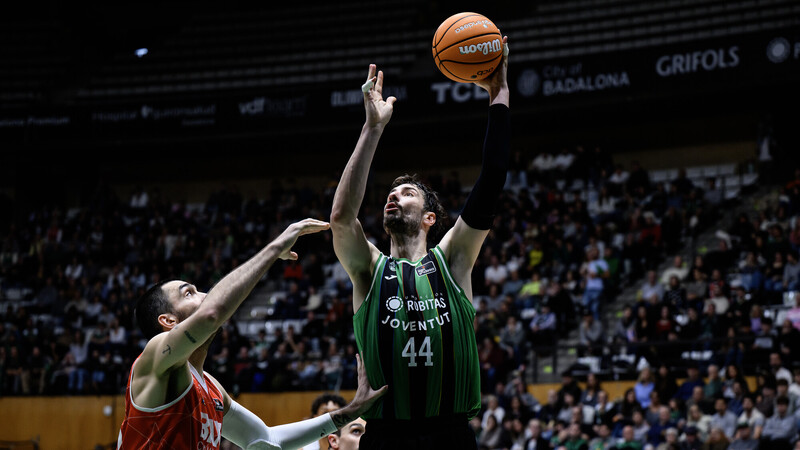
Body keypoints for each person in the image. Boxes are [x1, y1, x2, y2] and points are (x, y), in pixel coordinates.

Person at [329, 37, 511, 450]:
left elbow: (493, 177)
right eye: (391, 195)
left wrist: (499, 94)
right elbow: (340, 219)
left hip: (451, 435)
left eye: (407, 193)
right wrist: (372, 129)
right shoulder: (369, 270)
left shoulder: (454, 260)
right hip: (387, 436)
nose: (394, 197)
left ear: (430, 218)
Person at [118, 219, 388, 449]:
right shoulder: (155, 356)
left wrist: (348, 413)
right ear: (168, 320)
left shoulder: (212, 389)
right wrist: (274, 249)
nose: (206, 294)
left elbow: (267, 438)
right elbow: (211, 314)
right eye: (189, 293)